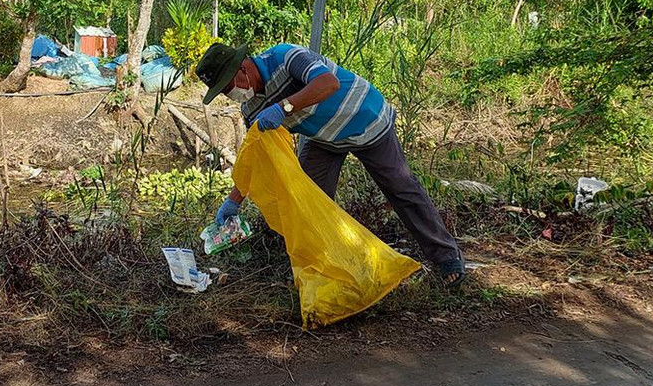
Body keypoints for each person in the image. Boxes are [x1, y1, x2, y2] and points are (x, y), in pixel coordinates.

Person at [195, 42, 466, 287]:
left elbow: (328, 84)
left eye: (229, 87)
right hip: (325, 139)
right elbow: (258, 156)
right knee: (307, 202)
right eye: (225, 93)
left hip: (366, 120)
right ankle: (325, 269)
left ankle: (446, 258)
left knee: (401, 188)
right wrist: (234, 200)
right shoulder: (251, 109)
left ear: (242, 68)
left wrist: (284, 107)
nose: (232, 95)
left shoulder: (284, 56)